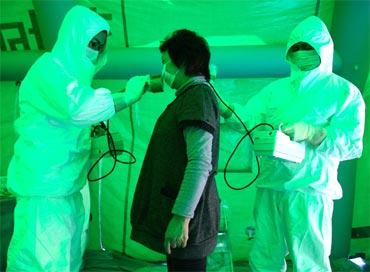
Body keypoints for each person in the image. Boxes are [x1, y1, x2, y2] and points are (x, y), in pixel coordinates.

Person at [6, 5, 148, 272]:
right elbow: (80, 109)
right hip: (44, 194)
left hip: (67, 189)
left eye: (99, 45)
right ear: (73, 36)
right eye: (91, 42)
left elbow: (80, 108)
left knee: (67, 263)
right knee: (41, 264)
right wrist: (127, 97)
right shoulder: (49, 71)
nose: (94, 50)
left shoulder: (69, 79)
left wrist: (124, 99)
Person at [223, 16, 365, 271]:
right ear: (288, 52)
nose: (302, 54)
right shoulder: (275, 91)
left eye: (309, 48)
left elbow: (352, 145)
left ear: (324, 51)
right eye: (296, 48)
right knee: (264, 258)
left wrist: (313, 133)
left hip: (310, 190)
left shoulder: (344, 92)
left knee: (310, 263)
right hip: (272, 186)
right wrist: (225, 110)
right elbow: (248, 119)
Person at [130, 29, 220, 272]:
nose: (162, 71)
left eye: (165, 63)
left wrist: (182, 217)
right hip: (181, 214)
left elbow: (200, 162)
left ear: (184, 63)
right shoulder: (188, 96)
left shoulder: (197, 96)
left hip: (188, 221)